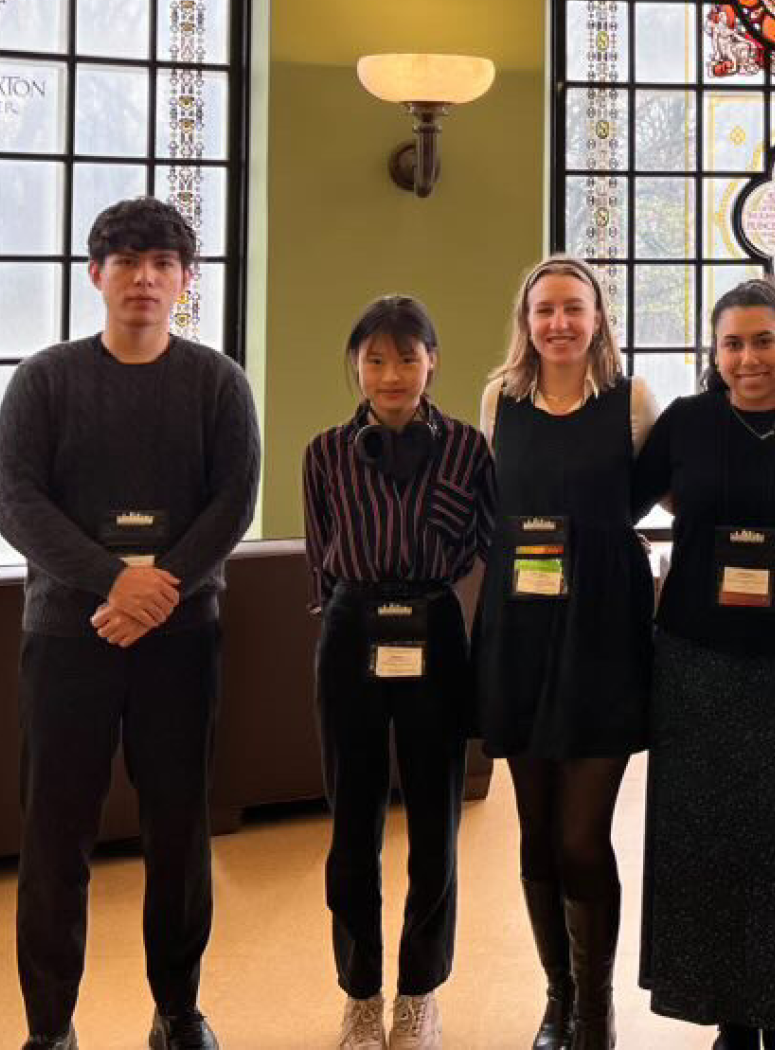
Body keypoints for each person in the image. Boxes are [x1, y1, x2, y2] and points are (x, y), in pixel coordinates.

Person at [0, 196, 260, 1050]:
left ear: (186, 281)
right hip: (68, 636)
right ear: (95, 274)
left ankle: (178, 1011)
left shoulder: (217, 382)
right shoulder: (46, 378)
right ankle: (49, 1028)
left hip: (181, 642)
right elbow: (16, 501)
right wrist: (115, 580)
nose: (144, 277)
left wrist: (160, 588)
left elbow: (234, 501)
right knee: (53, 835)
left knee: (179, 830)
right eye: (127, 261)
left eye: (162, 264)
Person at [633, 279, 775, 1050]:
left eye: (764, 340)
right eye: (733, 343)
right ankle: (729, 1014)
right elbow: (621, 501)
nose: (749, 357)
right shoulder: (687, 424)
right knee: (707, 837)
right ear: (714, 353)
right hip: (696, 656)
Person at [474, 256, 659, 1050]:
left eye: (573, 309)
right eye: (544, 309)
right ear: (526, 317)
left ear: (598, 317)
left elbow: (662, 492)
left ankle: (595, 1006)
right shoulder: (499, 398)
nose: (558, 323)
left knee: (584, 834)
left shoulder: (632, 399)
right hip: (520, 628)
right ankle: (558, 996)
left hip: (605, 631)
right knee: (536, 829)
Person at [302, 296, 496, 1050]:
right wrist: (353, 612)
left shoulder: (469, 450)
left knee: (436, 821)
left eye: (407, 358)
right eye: (376, 359)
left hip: (435, 627)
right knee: (351, 822)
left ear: (433, 362)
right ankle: (359, 993)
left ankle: (419, 993)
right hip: (351, 628)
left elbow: (483, 539)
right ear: (356, 365)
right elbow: (321, 554)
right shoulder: (324, 452)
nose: (391, 375)